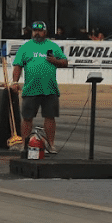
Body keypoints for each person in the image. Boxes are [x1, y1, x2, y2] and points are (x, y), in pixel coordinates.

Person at [10, 21, 67, 153]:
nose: (37, 33)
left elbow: (65, 62)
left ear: (45, 32)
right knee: (27, 118)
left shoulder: (53, 46)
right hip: (30, 89)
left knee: (50, 117)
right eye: (34, 30)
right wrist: (15, 82)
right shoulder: (25, 47)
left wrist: (55, 61)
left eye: (40, 31)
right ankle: (24, 145)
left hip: (50, 89)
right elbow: (17, 66)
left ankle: (51, 145)